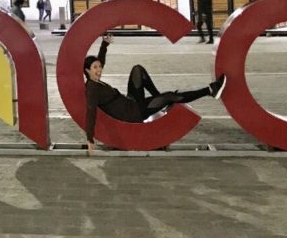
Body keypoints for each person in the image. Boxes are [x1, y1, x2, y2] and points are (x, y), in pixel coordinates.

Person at [83, 34, 226, 152]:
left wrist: (104, 44)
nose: (99, 69)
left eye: (100, 67)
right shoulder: (92, 88)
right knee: (171, 96)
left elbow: (99, 60)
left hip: (130, 102)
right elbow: (91, 112)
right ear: (87, 70)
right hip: (133, 113)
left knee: (137, 70)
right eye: (95, 68)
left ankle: (159, 99)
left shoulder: (95, 80)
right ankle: (209, 90)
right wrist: (90, 138)